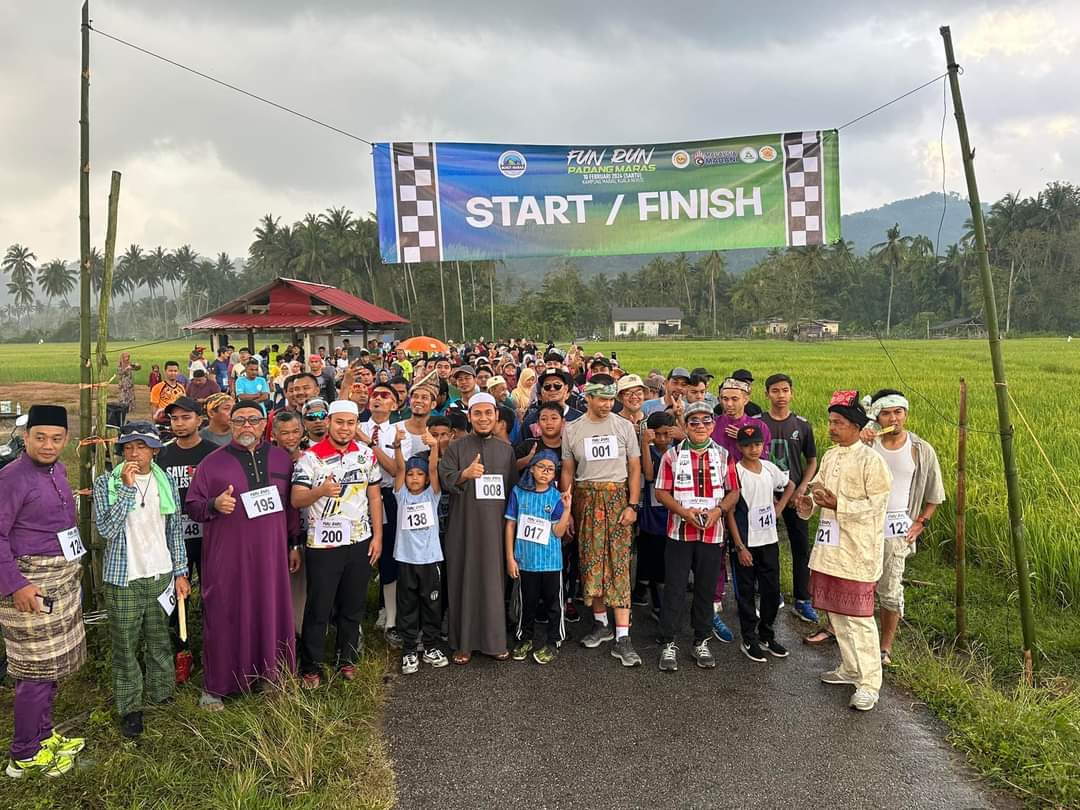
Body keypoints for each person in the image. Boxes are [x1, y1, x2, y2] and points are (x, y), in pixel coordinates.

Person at [185, 401, 300, 709]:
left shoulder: (281, 459)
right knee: (225, 613)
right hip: (229, 558)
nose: (247, 425)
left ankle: (272, 676)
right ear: (231, 425)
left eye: (253, 420)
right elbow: (192, 505)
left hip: (272, 557)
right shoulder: (212, 463)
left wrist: (294, 544)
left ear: (264, 425)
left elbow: (291, 508)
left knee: (271, 610)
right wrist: (213, 505)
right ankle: (218, 685)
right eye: (239, 420)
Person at [0, 405, 86, 778]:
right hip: (29, 586)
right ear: (26, 437)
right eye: (40, 438)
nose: (48, 445)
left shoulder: (59, 470)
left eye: (56, 438)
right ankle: (24, 754)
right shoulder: (11, 479)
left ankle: (43, 735)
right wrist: (16, 585)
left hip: (59, 581)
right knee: (34, 671)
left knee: (49, 668)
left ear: (66, 440)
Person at [795, 391, 892, 712]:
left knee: (859, 618)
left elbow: (877, 506)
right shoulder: (831, 456)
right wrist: (808, 502)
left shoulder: (871, 461)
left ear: (855, 426)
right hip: (830, 548)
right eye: (830, 422)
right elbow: (818, 488)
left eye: (838, 423)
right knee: (837, 614)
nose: (832, 428)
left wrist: (840, 504)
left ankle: (869, 683)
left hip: (858, 551)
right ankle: (850, 668)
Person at [92, 422, 189, 738]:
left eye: (142, 446)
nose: (134, 453)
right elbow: (106, 530)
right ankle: (130, 707)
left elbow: (174, 531)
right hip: (125, 578)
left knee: (159, 639)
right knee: (125, 645)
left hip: (160, 574)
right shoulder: (106, 482)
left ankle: (162, 693)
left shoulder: (165, 482)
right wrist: (126, 488)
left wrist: (180, 572)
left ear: (155, 451)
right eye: (129, 447)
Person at [292, 400, 382, 686]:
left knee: (353, 605)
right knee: (319, 607)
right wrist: (320, 491)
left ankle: (347, 659)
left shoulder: (366, 455)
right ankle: (311, 666)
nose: (345, 428)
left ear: (357, 425)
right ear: (329, 422)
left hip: (359, 540)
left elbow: (374, 496)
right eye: (339, 422)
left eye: (350, 423)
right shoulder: (309, 458)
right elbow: (296, 499)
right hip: (323, 546)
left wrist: (378, 536)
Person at [561, 374, 643, 667]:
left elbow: (635, 468)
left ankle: (623, 635)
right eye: (602, 399)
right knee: (591, 562)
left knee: (618, 564)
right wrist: (567, 509)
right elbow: (568, 470)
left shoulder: (624, 426)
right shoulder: (572, 429)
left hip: (617, 498)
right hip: (585, 499)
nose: (608, 404)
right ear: (588, 398)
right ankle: (601, 623)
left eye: (611, 399)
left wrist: (633, 505)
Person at [653, 402, 739, 672]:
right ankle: (668, 641)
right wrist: (683, 512)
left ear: (713, 425)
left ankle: (701, 640)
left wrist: (718, 511)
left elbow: (733, 491)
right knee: (675, 588)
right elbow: (661, 492)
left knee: (705, 589)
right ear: (686, 426)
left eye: (706, 421)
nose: (700, 426)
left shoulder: (724, 455)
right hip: (680, 532)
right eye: (694, 422)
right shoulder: (672, 455)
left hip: (712, 532)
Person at [863, 389, 945, 667]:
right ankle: (857, 639)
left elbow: (935, 494)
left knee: (889, 588)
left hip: (897, 528)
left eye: (898, 412)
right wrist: (861, 438)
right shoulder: (869, 444)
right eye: (886, 413)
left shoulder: (920, 449)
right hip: (864, 524)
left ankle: (884, 647)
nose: (893, 418)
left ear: (906, 414)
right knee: (860, 583)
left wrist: (921, 522)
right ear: (877, 416)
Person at [438, 392, 518, 664]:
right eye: (478, 414)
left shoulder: (506, 450)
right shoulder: (456, 448)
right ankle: (464, 644)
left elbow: (512, 493)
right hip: (464, 528)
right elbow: (445, 480)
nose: (483, 418)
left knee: (493, 584)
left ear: (496, 416)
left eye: (488, 413)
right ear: (470, 417)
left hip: (496, 530)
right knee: (464, 581)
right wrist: (464, 474)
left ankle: (495, 642)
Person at [156, 397, 218, 680]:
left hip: (209, 534)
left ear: (199, 420)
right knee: (175, 595)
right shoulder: (163, 455)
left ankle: (213, 647)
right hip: (174, 536)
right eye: (174, 419)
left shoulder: (213, 453)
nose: (179, 424)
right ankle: (182, 651)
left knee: (212, 593)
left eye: (185, 417)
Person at [708, 376, 772, 640]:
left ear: (746, 399)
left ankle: (749, 600)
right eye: (724, 399)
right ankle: (715, 599)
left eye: (735, 399)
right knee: (718, 549)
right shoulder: (713, 424)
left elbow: (764, 460)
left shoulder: (759, 426)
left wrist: (743, 441)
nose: (729, 404)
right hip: (719, 496)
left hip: (750, 498)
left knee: (747, 550)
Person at [726, 424, 795, 663]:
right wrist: (739, 546)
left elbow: (789, 484)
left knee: (771, 591)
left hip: (769, 540)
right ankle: (749, 638)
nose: (753, 449)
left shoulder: (769, 468)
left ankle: (767, 633)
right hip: (746, 542)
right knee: (746, 592)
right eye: (747, 446)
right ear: (739, 447)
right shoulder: (735, 472)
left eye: (757, 444)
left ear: (763, 445)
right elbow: (730, 511)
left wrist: (779, 507)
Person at [360, 382, 417, 647]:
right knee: (359, 556)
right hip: (358, 497)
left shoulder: (400, 432)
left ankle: (391, 618)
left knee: (390, 557)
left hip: (389, 496)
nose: (379, 399)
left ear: (395, 404)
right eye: (375, 395)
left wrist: (369, 445)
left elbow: (396, 469)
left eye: (385, 396)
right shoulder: (356, 426)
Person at [760, 373, 819, 624]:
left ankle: (802, 599)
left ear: (792, 393)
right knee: (766, 548)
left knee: (800, 546)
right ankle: (770, 595)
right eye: (775, 391)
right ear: (766, 394)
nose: (780, 395)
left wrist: (802, 488)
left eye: (785, 390)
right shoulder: (759, 423)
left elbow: (811, 461)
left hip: (795, 496)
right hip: (765, 495)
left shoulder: (802, 426)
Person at [505, 450, 573, 665]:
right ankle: (524, 638)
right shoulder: (518, 492)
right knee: (527, 604)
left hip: (551, 562)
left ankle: (554, 641)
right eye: (541, 467)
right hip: (525, 560)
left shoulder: (555, 497)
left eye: (550, 469)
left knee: (554, 605)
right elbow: (510, 524)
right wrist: (510, 558)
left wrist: (566, 510)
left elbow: (558, 532)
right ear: (532, 468)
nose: (545, 472)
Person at [392, 431, 447, 674]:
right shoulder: (401, 495)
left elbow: (434, 469)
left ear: (426, 479)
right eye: (411, 474)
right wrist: (397, 447)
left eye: (419, 474)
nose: (414, 478)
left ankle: (431, 646)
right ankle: (409, 649)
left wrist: (434, 447)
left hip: (430, 559)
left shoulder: (432, 495)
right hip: (406, 559)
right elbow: (399, 469)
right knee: (407, 605)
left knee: (432, 604)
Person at [636, 410, 675, 620]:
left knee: (668, 560)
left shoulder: (678, 451)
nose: (662, 439)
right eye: (657, 434)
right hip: (651, 514)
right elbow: (649, 475)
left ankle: (664, 601)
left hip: (672, 512)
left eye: (667, 434)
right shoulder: (648, 452)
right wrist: (644, 443)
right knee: (652, 558)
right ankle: (657, 603)